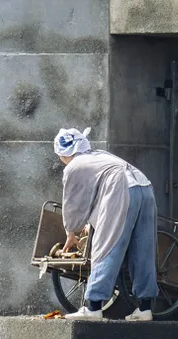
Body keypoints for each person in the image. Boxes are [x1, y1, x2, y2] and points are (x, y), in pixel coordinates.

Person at [54, 127, 158, 322]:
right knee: (143, 250)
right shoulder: (99, 155)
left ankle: (93, 308)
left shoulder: (74, 166)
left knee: (107, 247)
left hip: (121, 189)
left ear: (62, 154)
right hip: (144, 186)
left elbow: (72, 203)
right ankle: (145, 309)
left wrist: (71, 232)